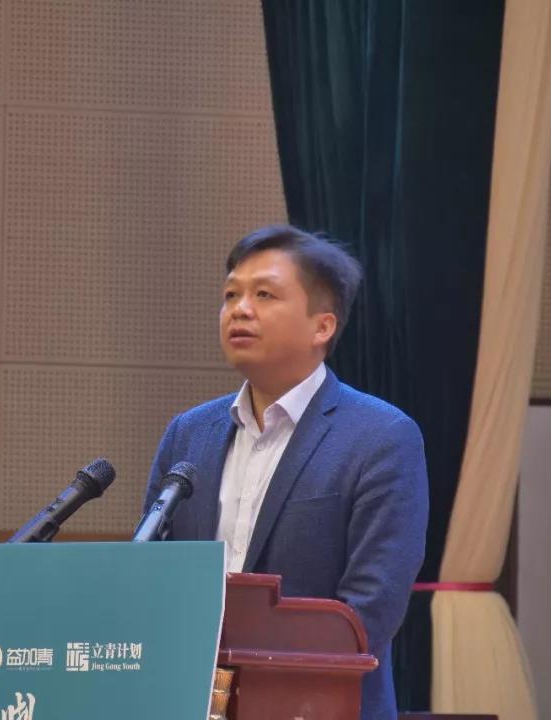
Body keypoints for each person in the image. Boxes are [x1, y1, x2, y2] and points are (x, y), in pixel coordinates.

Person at [143, 224, 428, 720]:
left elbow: (371, 608)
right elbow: (152, 577)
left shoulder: (381, 436)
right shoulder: (189, 433)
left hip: (319, 706)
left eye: (264, 295)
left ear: (322, 327)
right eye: (230, 295)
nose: (240, 309)